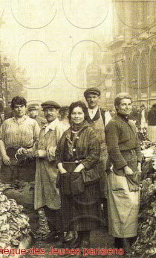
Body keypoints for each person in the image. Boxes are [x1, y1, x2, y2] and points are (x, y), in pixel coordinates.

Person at [56, 101, 101, 248]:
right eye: (74, 113)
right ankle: (77, 236)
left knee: (85, 206)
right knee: (72, 207)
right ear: (70, 115)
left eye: (79, 113)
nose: (76, 116)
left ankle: (85, 238)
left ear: (84, 115)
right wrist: (60, 167)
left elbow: (95, 155)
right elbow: (58, 153)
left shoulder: (90, 132)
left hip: (85, 175)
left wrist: (81, 166)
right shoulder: (66, 133)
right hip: (68, 174)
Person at [105, 93, 142, 252]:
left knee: (133, 204)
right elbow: (113, 149)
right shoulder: (113, 124)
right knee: (122, 204)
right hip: (120, 169)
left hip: (133, 167)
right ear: (117, 107)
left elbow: (137, 145)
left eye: (129, 104)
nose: (127, 107)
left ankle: (130, 238)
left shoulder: (131, 124)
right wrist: (124, 166)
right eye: (123, 104)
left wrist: (139, 163)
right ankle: (122, 241)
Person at [34, 101, 68, 244]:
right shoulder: (44, 128)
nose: (48, 113)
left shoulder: (60, 128)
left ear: (57, 112)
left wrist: (46, 153)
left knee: (57, 201)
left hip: (54, 171)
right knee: (46, 202)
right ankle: (53, 231)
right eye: (46, 110)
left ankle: (62, 233)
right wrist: (31, 151)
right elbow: (38, 146)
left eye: (51, 110)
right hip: (42, 172)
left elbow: (64, 151)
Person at [83, 87, 112, 227]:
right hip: (86, 157)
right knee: (88, 188)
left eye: (94, 97)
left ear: (98, 98)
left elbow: (111, 136)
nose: (92, 99)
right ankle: (92, 220)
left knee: (104, 188)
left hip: (102, 156)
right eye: (89, 97)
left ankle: (106, 220)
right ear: (86, 99)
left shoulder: (105, 114)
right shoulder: (81, 114)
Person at [0, 96, 40, 183]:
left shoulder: (32, 123)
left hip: (27, 157)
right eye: (16, 107)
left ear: (25, 107)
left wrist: (30, 151)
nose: (19, 109)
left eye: (21, 106)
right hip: (10, 156)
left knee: (26, 184)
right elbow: (0, 139)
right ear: (13, 108)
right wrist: (4, 155)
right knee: (7, 183)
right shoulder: (6, 123)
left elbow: (38, 140)